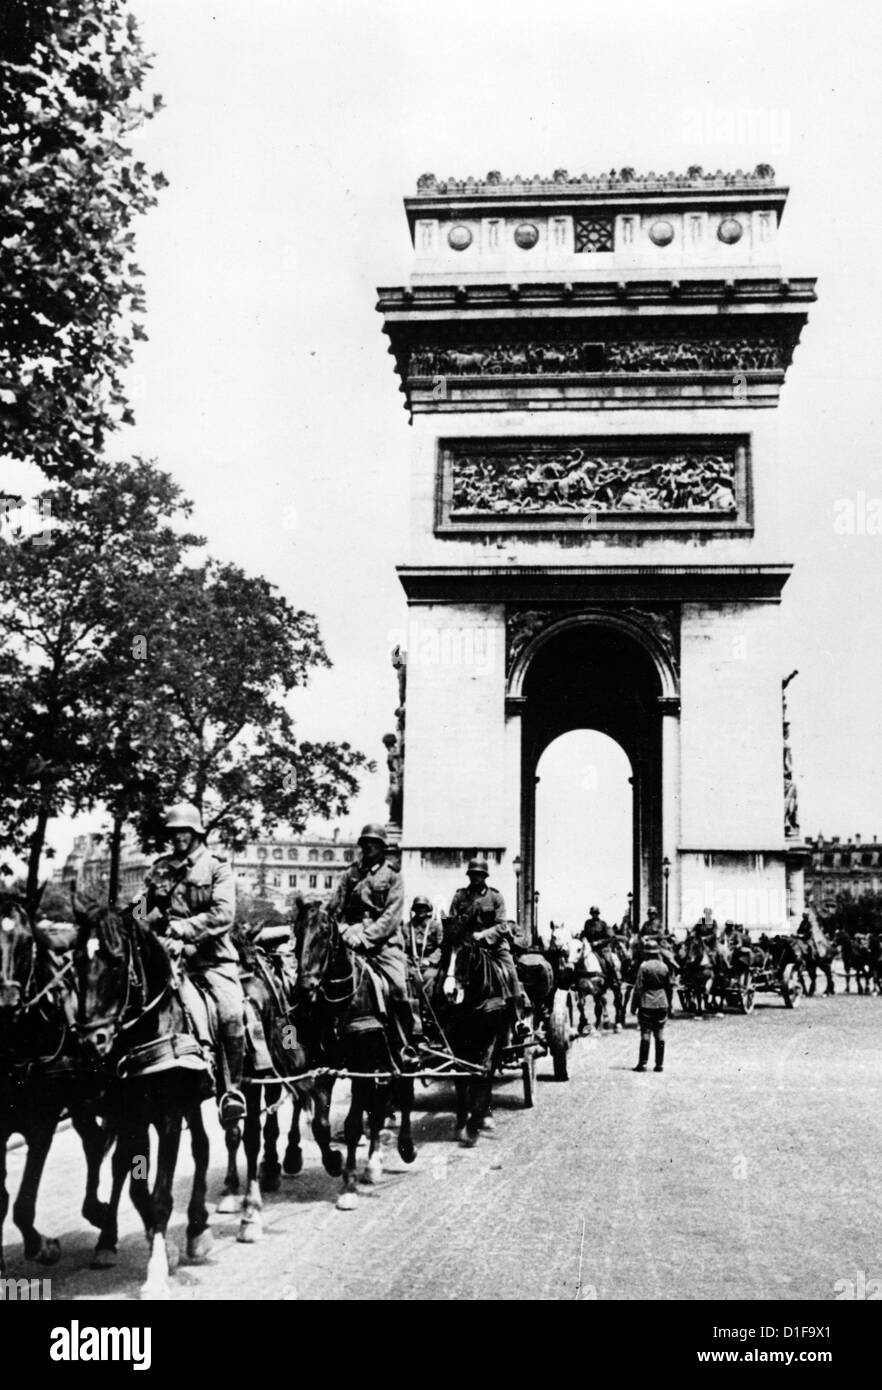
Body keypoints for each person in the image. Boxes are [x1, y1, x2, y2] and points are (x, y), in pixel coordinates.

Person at [137, 803, 245, 1127]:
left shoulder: (217, 868)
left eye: (184, 830)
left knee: (232, 1013)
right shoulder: (160, 870)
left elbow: (224, 915)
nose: (178, 836)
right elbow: (143, 908)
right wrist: (130, 921)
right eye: (173, 832)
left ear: (196, 832)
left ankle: (232, 1092)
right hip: (166, 958)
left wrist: (183, 929)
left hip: (211, 960)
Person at [329, 823, 420, 1067]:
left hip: (383, 945)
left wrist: (365, 937)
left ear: (382, 847)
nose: (368, 847)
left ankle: (408, 1042)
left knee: (399, 987)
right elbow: (334, 909)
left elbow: (392, 915)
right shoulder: (350, 874)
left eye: (374, 843)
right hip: (350, 941)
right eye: (365, 842)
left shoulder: (392, 875)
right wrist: (344, 930)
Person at [445, 860, 529, 1040]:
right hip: (466, 946)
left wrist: (483, 935)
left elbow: (502, 926)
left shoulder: (495, 897)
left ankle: (517, 1019)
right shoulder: (460, 896)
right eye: (472, 874)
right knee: (444, 973)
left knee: (510, 973)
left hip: (493, 945)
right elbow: (452, 921)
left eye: (479, 874)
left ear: (484, 877)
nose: (475, 877)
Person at [630, 937, 671, 1073]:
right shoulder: (664, 966)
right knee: (659, 1033)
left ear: (647, 953)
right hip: (661, 1002)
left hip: (646, 1003)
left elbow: (638, 988)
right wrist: (668, 1004)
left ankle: (642, 1064)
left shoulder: (644, 966)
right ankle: (659, 1065)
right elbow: (668, 987)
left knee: (645, 1033)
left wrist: (633, 1006)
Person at [406, 894, 444, 1003]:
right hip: (412, 964)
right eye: (418, 907)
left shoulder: (435, 926)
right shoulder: (407, 927)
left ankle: (427, 1012)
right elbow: (402, 948)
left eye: (423, 907)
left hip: (430, 965)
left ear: (427, 909)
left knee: (427, 979)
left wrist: (430, 961)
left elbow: (440, 947)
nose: (420, 910)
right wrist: (409, 961)